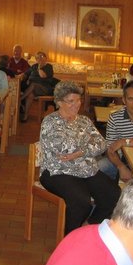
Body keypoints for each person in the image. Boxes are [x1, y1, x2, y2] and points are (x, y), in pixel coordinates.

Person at [39, 81, 121, 235]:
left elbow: (102, 144)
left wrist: (81, 152)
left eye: (78, 100)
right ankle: (69, 242)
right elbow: (63, 148)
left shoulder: (84, 120)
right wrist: (86, 146)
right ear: (58, 102)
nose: (76, 104)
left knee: (114, 195)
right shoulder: (50, 121)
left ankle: (86, 228)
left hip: (85, 169)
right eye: (71, 101)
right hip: (57, 171)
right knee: (81, 202)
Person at [19, 51, 58, 122]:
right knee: (30, 95)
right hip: (33, 89)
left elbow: (42, 76)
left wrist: (39, 67)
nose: (39, 59)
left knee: (33, 85)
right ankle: (25, 116)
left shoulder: (49, 67)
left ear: (46, 58)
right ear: (36, 59)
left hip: (45, 89)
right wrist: (21, 76)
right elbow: (26, 73)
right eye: (38, 57)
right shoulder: (34, 66)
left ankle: (20, 99)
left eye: (41, 57)